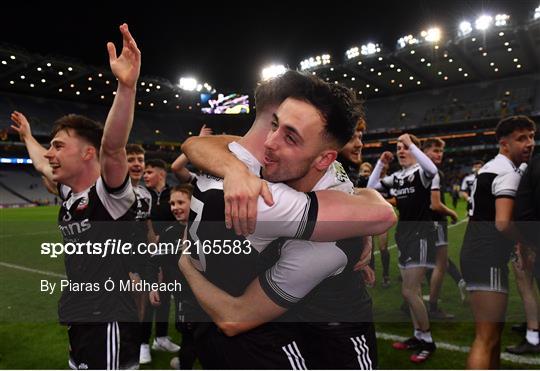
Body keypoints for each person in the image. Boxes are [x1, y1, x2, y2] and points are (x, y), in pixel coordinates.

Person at [179, 71, 396, 369]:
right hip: (287, 322)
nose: (268, 142)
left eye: (290, 136)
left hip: (336, 335)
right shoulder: (285, 173)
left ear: (324, 159)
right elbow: (200, 145)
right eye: (275, 125)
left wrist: (184, 265)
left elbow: (236, 317)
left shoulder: (314, 232)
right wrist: (235, 169)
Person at [10, 23, 141, 369]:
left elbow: (112, 148)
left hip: (108, 321)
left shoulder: (109, 197)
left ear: (86, 154)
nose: (50, 153)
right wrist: (26, 136)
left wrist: (125, 87)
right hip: (80, 317)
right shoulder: (69, 193)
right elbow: (41, 164)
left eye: (58, 145)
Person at [460, 115, 535, 369]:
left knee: (493, 335)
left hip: (478, 253)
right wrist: (527, 243)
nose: (529, 143)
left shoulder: (491, 168)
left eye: (532, 136)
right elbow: (503, 223)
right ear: (504, 144)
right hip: (487, 256)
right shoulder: (508, 173)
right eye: (521, 138)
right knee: (486, 338)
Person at [367, 133, 438, 363]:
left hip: (421, 236)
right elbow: (371, 188)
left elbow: (433, 170)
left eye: (405, 147)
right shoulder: (398, 177)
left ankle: (428, 340)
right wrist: (381, 164)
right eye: (398, 147)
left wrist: (412, 145)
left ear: (414, 150)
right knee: (412, 292)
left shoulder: (422, 172)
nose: (401, 150)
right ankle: (418, 336)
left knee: (409, 291)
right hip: (404, 237)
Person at [145, 184, 199, 369]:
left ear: (193, 204)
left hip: (211, 295)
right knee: (188, 333)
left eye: (180, 202)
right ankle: (185, 364)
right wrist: (153, 286)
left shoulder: (207, 228)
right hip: (184, 297)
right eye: (172, 203)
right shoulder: (168, 233)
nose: (175, 207)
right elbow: (153, 261)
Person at [139, 158, 180, 364]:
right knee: (147, 298)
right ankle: (143, 343)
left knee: (164, 296)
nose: (145, 175)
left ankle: (161, 338)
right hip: (145, 254)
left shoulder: (173, 195)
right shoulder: (140, 195)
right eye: (144, 172)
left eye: (149, 172)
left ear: (161, 173)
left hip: (169, 255)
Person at [421, 138, 466, 317]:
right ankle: (433, 306)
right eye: (435, 151)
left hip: (419, 223)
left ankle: (410, 302)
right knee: (440, 263)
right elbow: (436, 205)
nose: (440, 154)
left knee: (426, 262)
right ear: (425, 152)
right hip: (435, 222)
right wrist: (453, 214)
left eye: (441, 151)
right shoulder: (432, 173)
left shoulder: (415, 171)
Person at [506, 152, 540, 355]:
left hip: (531, 239)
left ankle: (533, 337)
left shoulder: (534, 165)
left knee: (526, 284)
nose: (529, 143)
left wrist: (529, 241)